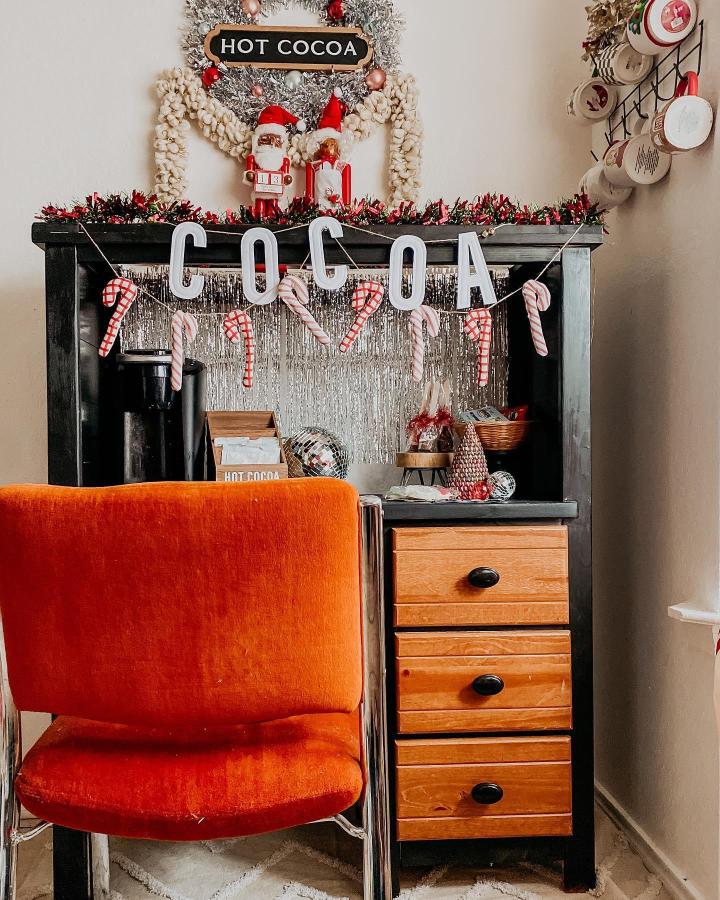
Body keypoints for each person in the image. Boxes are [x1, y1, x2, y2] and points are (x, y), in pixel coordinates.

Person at [245, 105, 305, 217]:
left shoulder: (283, 159)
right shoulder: (254, 157)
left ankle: (273, 220)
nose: (271, 143)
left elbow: (286, 174)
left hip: (275, 191)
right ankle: (259, 220)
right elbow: (249, 171)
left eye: (276, 140)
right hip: (260, 191)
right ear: (258, 140)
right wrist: (250, 176)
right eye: (266, 139)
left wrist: (287, 179)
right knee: (259, 210)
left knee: (273, 209)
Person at [305, 92, 352, 211]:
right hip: (318, 206)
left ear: (337, 146)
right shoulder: (314, 166)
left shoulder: (342, 166)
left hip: (337, 206)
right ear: (320, 147)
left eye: (332, 144)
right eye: (325, 145)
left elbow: (346, 185)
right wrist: (308, 203)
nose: (328, 148)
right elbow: (309, 187)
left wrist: (346, 204)